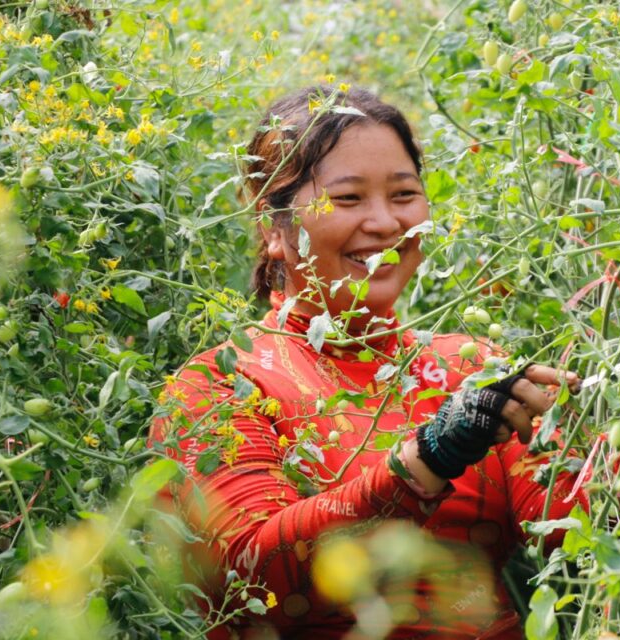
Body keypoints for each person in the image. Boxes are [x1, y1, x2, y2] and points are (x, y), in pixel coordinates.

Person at [150, 85, 589, 639]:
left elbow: (574, 536)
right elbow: (249, 580)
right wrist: (427, 458)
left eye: (404, 195)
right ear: (272, 227)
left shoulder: (471, 367)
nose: (384, 224)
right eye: (349, 199)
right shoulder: (220, 385)